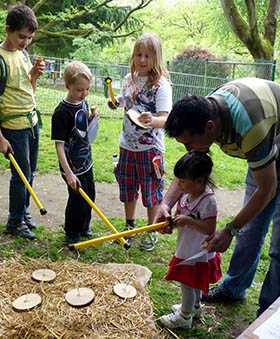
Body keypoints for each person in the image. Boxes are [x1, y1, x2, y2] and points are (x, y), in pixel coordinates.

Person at [159, 77, 280, 317]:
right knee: (251, 229)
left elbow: (266, 189)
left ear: (211, 127)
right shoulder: (209, 109)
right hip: (265, 146)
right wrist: (166, 203)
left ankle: (269, 315)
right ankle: (234, 288)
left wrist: (230, 230)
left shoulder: (251, 128)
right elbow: (189, 167)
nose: (189, 150)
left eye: (190, 142)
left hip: (267, 135)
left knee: (279, 247)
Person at [0, 4, 45, 240]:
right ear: (7, 29)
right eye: (21, 36)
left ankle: (23, 211)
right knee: (20, 176)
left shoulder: (23, 54)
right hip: (13, 128)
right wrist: (0, 138)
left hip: (32, 123)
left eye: (29, 38)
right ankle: (14, 221)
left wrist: (34, 76)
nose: (25, 42)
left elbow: (28, 89)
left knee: (30, 173)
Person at [108, 32, 172, 250]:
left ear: (156, 58)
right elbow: (125, 100)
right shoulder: (129, 79)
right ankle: (129, 226)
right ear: (133, 56)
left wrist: (152, 120)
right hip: (127, 145)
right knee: (127, 187)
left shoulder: (161, 86)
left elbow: (166, 118)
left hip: (150, 149)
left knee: (151, 190)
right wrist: (116, 102)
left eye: (147, 55)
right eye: (138, 54)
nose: (142, 60)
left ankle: (150, 230)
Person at [158, 151, 222, 329]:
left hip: (197, 251)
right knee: (193, 282)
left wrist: (188, 221)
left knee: (188, 283)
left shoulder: (208, 201)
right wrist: (174, 223)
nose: (178, 184)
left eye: (183, 181)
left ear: (199, 181)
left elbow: (209, 229)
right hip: (187, 246)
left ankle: (184, 318)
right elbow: (183, 217)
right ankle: (194, 307)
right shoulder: (187, 195)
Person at [51, 61, 98, 244]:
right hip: (71, 166)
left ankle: (84, 227)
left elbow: (83, 128)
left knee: (90, 195)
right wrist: (69, 173)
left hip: (86, 161)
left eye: (87, 89)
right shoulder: (61, 113)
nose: (84, 93)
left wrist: (92, 119)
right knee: (77, 199)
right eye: (80, 90)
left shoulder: (83, 103)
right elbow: (59, 146)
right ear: (68, 86)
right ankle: (71, 233)